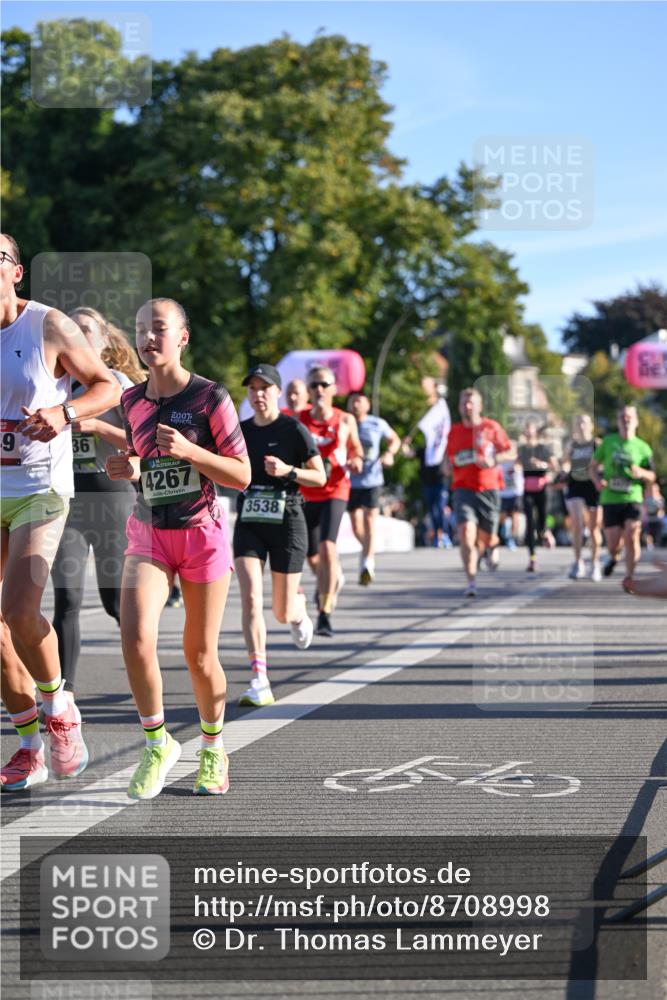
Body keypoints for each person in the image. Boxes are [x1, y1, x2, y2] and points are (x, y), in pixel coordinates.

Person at [106, 298, 250, 799]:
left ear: (183, 337)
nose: (148, 338)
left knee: (199, 654)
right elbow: (141, 464)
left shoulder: (211, 397)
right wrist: (128, 468)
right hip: (148, 532)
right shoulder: (132, 402)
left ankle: (212, 748)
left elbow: (242, 474)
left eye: (159, 328)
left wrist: (192, 451)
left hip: (200, 535)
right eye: (141, 328)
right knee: (136, 638)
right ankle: (157, 743)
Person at [0, 233, 120, 791]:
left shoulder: (47, 324)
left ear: (17, 272)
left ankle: (59, 707)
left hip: (40, 485)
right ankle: (28, 746)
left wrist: (64, 412)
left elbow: (107, 388)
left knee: (20, 608)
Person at [50, 308, 145, 703]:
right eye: (72, 331)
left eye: (86, 331)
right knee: (67, 598)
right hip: (68, 504)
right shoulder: (55, 386)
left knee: (115, 604)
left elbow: (145, 447)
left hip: (111, 502)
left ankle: (147, 680)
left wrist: (97, 425)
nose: (78, 337)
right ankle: (61, 699)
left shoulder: (120, 386)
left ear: (104, 341)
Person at [234, 364, 326, 706]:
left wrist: (289, 471)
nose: (258, 394)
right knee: (251, 598)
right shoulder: (239, 431)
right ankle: (259, 678)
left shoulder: (293, 429)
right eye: (252, 388)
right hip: (250, 521)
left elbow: (320, 477)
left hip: (287, 519)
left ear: (277, 391)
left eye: (264, 387)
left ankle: (299, 612)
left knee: (282, 612)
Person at [299, 366, 364, 637]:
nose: (319, 390)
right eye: (314, 385)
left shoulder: (345, 420)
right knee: (312, 556)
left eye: (325, 384)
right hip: (305, 492)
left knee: (327, 547)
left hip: (335, 490)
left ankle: (324, 613)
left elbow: (357, 450)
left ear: (334, 389)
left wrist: (356, 461)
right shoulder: (298, 419)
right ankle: (330, 578)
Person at [445, 387, 511, 598]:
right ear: (459, 406)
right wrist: (448, 466)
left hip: (489, 489)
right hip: (463, 488)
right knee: (466, 533)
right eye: (464, 402)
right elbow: (448, 461)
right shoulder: (453, 432)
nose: (468, 406)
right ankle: (471, 581)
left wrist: (494, 460)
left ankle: (493, 544)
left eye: (472, 402)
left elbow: (510, 451)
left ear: (480, 406)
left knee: (487, 536)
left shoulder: (491, 427)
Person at [590, 404, 655, 580]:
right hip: (610, 498)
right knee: (613, 543)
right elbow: (593, 467)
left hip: (633, 496)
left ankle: (629, 576)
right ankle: (613, 556)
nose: (626, 420)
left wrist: (641, 473)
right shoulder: (608, 442)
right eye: (622, 417)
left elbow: (652, 476)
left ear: (636, 422)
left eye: (629, 417)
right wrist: (597, 480)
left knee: (632, 534)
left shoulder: (643, 447)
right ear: (618, 422)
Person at [346, 391, 401, 585]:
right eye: (352, 402)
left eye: (359, 401)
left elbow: (395, 440)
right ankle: (368, 549)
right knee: (356, 525)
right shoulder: (345, 423)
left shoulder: (377, 423)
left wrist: (389, 454)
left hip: (372, 480)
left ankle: (367, 563)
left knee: (370, 522)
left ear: (367, 405)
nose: (355, 405)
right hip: (351, 482)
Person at [402, 378, 451, 548]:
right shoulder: (424, 450)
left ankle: (443, 534)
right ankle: (438, 534)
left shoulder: (441, 449)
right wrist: (405, 443)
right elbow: (408, 453)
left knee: (440, 508)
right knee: (432, 509)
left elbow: (449, 458)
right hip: (427, 482)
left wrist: (448, 468)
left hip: (440, 480)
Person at [562, 413, 602, 580]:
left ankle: (594, 563)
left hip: (592, 486)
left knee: (593, 529)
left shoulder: (597, 444)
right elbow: (564, 462)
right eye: (578, 423)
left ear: (591, 426)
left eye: (584, 422)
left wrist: (598, 472)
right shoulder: (572, 445)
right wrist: (564, 470)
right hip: (575, 485)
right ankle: (578, 562)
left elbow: (604, 462)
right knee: (577, 524)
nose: (581, 426)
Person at [517, 420, 558, 573]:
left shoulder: (544, 449)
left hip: (542, 489)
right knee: (529, 523)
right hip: (528, 489)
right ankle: (532, 559)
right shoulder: (522, 450)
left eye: (530, 429)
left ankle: (545, 532)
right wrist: (513, 469)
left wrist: (543, 465)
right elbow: (516, 464)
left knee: (541, 521)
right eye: (526, 429)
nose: (528, 432)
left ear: (535, 432)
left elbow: (555, 466)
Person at [499, 454, 524, 551]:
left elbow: (519, 466)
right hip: (503, 493)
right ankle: (505, 528)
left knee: (515, 516)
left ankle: (511, 539)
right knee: (502, 517)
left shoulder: (518, 461)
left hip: (515, 493)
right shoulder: (500, 460)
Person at [642, 482, 665, 551]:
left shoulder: (660, 499)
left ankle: (656, 544)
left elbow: (661, 510)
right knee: (647, 534)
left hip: (657, 520)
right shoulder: (646, 499)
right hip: (648, 519)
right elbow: (644, 508)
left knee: (656, 535)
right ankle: (650, 545)